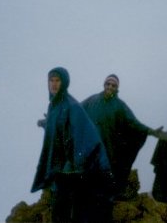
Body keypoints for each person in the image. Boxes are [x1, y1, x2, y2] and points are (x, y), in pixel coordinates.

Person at [31, 67, 113, 223]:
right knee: (62, 212)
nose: (54, 84)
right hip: (60, 169)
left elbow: (87, 135)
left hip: (72, 171)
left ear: (64, 83)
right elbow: (58, 129)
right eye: (51, 80)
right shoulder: (54, 106)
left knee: (68, 212)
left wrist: (74, 163)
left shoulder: (72, 105)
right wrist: (46, 123)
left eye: (57, 80)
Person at [81, 74, 167, 200]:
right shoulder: (92, 100)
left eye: (113, 85)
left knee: (105, 189)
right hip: (91, 151)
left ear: (117, 88)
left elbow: (134, 124)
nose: (110, 87)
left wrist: (152, 132)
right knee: (88, 187)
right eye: (108, 84)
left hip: (109, 153)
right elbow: (75, 112)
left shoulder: (120, 106)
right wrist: (51, 120)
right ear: (104, 84)